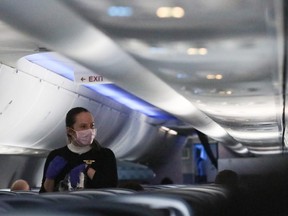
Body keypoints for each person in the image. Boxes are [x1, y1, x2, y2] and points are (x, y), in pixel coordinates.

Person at [39, 107, 118, 192]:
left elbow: (111, 188)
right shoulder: (56, 155)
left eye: (92, 126)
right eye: (83, 126)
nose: (90, 130)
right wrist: (50, 178)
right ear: (70, 131)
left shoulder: (105, 155)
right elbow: (45, 193)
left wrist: (87, 169)